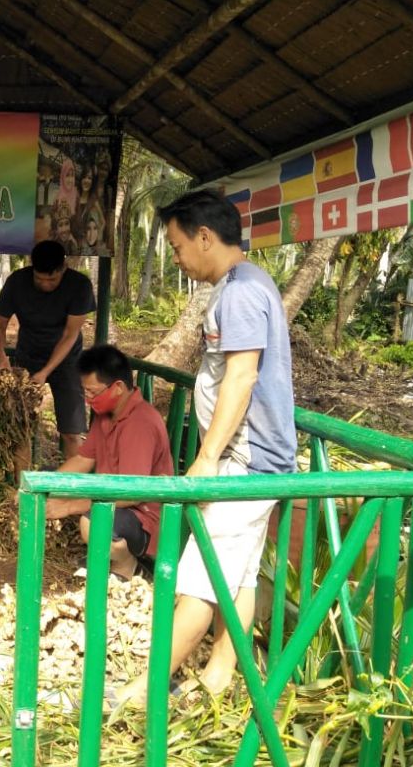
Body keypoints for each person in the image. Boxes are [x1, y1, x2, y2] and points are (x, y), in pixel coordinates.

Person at [116, 189, 296, 705]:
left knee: (197, 581)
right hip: (260, 460)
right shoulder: (250, 283)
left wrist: (207, 457)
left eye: (176, 246)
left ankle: (141, 692)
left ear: (204, 237)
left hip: (245, 462)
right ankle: (219, 675)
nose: (176, 256)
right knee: (234, 575)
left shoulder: (240, 293)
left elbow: (240, 377)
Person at [44, 345, 173, 580]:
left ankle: (129, 565)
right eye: (86, 392)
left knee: (91, 523)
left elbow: (131, 494)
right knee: (53, 483)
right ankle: (109, 557)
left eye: (93, 392)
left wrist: (68, 506)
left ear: (118, 388)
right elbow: (83, 459)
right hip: (114, 501)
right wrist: (46, 489)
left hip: (143, 517)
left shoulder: (140, 423)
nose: (88, 399)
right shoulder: (106, 415)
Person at [0, 240, 96, 460]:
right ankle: (23, 489)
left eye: (52, 279)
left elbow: (70, 334)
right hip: (27, 357)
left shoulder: (80, 285)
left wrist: (46, 372)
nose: (46, 284)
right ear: (32, 268)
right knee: (20, 428)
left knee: (71, 432)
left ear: (63, 268)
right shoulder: (17, 282)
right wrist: (1, 357)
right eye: (40, 279)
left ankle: (71, 492)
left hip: (67, 362)